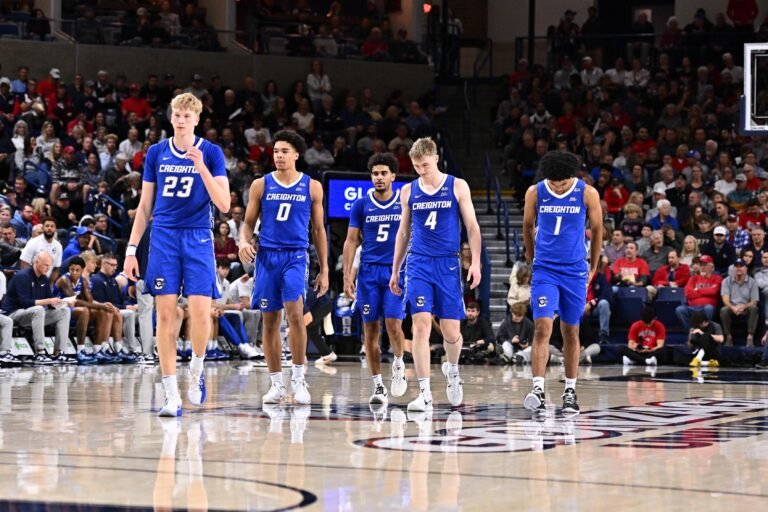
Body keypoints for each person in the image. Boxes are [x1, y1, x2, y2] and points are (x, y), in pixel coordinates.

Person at [124, 93, 230, 417]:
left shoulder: (211, 152)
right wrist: (131, 250)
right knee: (166, 316)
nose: (181, 120)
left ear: (197, 120)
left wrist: (201, 167)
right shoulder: (157, 152)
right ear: (171, 117)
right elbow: (144, 206)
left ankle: (197, 368)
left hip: (198, 235)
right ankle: (171, 394)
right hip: (164, 236)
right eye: (177, 115)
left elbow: (224, 204)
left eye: (187, 116)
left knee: (200, 313)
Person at [389, 137, 482, 412]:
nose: (421, 170)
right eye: (417, 166)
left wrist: (475, 262)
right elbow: (403, 233)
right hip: (418, 262)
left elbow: (472, 226)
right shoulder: (408, 191)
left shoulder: (457, 186)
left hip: (448, 264)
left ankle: (452, 370)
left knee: (452, 332)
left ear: (436, 159)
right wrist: (395, 269)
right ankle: (425, 393)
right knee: (420, 325)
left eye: (425, 165)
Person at [239, 130, 329, 406]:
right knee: (269, 321)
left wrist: (325, 269)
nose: (278, 155)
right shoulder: (260, 185)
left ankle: (299, 380)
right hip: (267, 257)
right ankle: (276, 384)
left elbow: (318, 230)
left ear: (296, 154)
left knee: (295, 314)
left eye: (284, 151)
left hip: (295, 256)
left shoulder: (312, 186)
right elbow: (247, 224)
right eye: (276, 151)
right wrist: (243, 241)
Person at [522, 150, 603, 416]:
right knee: (542, 327)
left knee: (570, 331)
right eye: (554, 183)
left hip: (574, 270)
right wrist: (532, 257)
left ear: (572, 176)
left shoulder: (587, 193)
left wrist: (594, 265)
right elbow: (527, 225)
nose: (558, 187)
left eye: (563, 182)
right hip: (545, 269)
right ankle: (537, 389)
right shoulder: (535, 192)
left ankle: (570, 391)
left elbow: (598, 229)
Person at [343, 152, 407, 405]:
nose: (379, 177)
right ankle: (378, 385)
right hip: (368, 272)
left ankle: (399, 363)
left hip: (394, 271)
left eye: (383, 173)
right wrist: (347, 275)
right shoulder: (361, 204)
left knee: (393, 324)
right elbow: (351, 240)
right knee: (370, 329)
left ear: (393, 176)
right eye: (375, 173)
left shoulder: (403, 202)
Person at [3, 252, 71, 364]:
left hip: (34, 315)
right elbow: (24, 302)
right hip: (14, 313)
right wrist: (48, 301)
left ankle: (60, 352)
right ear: (36, 262)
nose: (48, 268)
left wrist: (63, 303)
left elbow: (50, 304)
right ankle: (40, 352)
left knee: (64, 312)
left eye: (49, 266)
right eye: (45, 265)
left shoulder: (44, 279)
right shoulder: (22, 276)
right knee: (39, 309)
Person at [53, 256, 114, 363]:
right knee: (84, 311)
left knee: (101, 312)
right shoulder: (64, 280)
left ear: (82, 270)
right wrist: (101, 306)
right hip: (57, 309)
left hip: (70, 310)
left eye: (77, 270)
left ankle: (97, 349)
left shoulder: (83, 281)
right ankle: (80, 350)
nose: (74, 272)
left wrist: (103, 306)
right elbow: (75, 301)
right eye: (72, 270)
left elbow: (89, 300)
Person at [676, 254, 723, 330]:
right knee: (680, 309)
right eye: (701, 265)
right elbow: (688, 293)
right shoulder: (693, 279)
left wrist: (697, 290)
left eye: (705, 265)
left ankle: (707, 332)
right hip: (692, 307)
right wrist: (706, 291)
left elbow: (714, 291)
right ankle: (691, 332)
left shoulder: (718, 278)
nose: (702, 267)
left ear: (711, 266)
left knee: (709, 308)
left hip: (708, 307)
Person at [720, 257, 759, 346]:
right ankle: (728, 337)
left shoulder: (752, 282)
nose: (738, 268)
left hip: (746, 307)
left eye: (741, 266)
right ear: (733, 268)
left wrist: (744, 306)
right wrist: (733, 307)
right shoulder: (726, 281)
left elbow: (754, 301)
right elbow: (725, 299)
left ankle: (750, 337)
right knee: (724, 310)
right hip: (732, 307)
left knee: (754, 308)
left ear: (746, 268)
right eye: (736, 266)